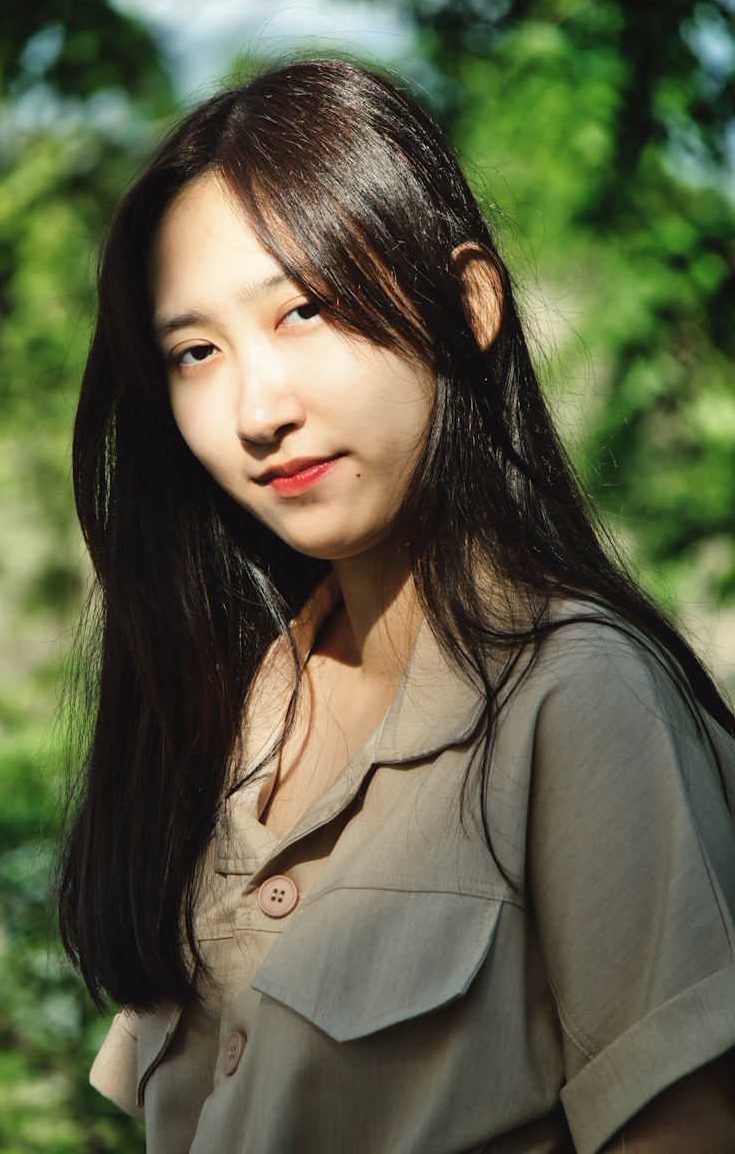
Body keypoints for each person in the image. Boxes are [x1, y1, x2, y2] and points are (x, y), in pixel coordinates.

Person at [57, 58, 735, 1153]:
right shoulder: (226, 707)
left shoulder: (573, 695)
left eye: (306, 311)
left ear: (466, 303)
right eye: (195, 351)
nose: (255, 408)